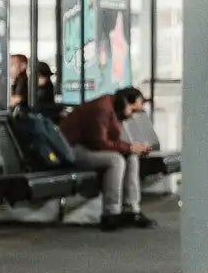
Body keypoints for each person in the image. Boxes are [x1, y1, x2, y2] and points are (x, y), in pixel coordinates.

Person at [59, 86, 156, 232]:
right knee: (116, 161)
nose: (132, 115)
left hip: (88, 147)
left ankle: (131, 209)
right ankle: (111, 213)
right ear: (124, 102)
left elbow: (112, 141)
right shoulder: (102, 108)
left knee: (131, 157)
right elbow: (99, 142)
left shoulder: (115, 110)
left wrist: (132, 148)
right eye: (133, 110)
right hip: (72, 149)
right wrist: (129, 147)